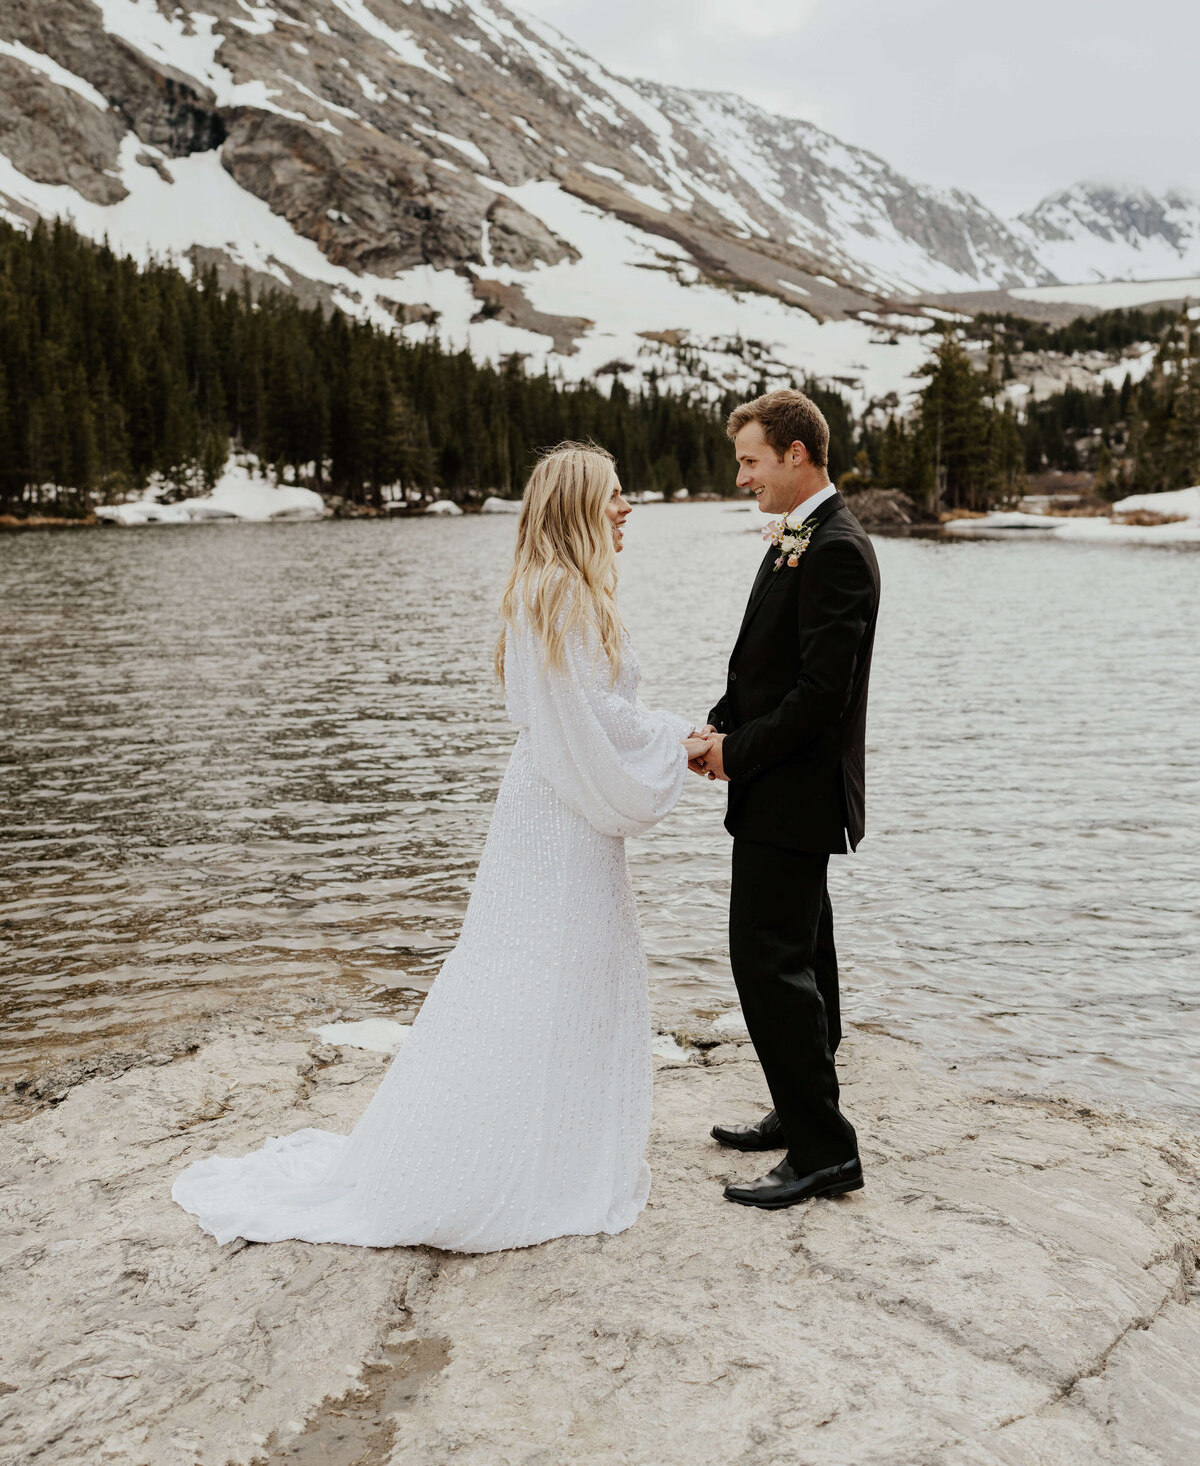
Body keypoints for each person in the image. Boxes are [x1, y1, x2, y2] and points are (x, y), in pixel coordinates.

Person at [173, 442, 712, 1253]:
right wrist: (685, 738)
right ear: (577, 507)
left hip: (548, 803)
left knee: (539, 969)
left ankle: (538, 1145)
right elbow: (592, 720)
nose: (627, 507)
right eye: (614, 495)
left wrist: (671, 735)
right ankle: (522, 1164)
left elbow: (581, 717)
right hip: (558, 816)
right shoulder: (562, 593)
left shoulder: (551, 588)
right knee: (560, 968)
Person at [691, 388, 881, 1210]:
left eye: (750, 461)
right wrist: (719, 722)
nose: (742, 477)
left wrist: (737, 754)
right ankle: (802, 1114)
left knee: (767, 961)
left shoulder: (836, 546)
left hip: (794, 794)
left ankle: (825, 1153)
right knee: (806, 961)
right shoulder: (799, 539)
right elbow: (766, 670)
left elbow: (818, 697)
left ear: (796, 455)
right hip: (781, 791)